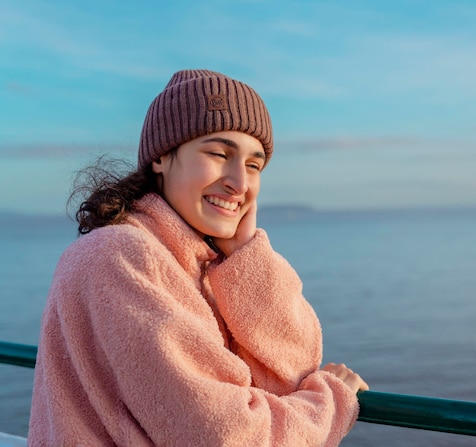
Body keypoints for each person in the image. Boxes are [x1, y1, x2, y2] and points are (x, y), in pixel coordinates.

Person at [28, 69, 368, 446]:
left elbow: (289, 376)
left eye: (254, 165)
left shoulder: (197, 263)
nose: (239, 183)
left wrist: (245, 257)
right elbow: (224, 434)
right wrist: (332, 402)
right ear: (161, 157)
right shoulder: (119, 256)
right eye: (219, 153)